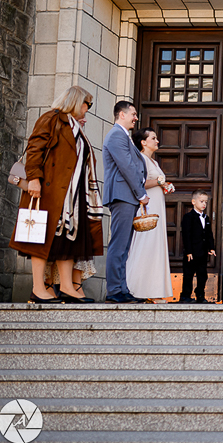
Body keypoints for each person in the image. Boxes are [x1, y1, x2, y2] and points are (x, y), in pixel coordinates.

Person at [10, 86, 103, 303]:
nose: (87, 109)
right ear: (76, 102)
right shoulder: (52, 119)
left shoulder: (75, 126)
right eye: (86, 104)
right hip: (48, 191)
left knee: (67, 240)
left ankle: (67, 287)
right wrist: (34, 179)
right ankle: (38, 288)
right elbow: (34, 149)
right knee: (39, 238)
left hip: (72, 196)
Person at [102, 101, 149, 304]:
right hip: (122, 195)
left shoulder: (123, 136)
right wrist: (141, 194)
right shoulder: (116, 135)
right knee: (119, 244)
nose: (136, 118)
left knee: (124, 246)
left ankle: (122, 289)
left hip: (126, 196)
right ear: (122, 114)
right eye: (133, 114)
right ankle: (114, 290)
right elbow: (127, 167)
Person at [126, 128, 176, 303]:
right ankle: (135, 289)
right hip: (147, 208)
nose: (157, 141)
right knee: (145, 246)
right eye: (153, 138)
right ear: (143, 142)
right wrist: (158, 181)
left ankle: (153, 291)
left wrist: (164, 186)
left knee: (155, 248)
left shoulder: (153, 162)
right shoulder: (140, 159)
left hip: (157, 207)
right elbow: (138, 183)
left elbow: (155, 182)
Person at [180, 189, 216, 303]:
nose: (204, 204)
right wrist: (188, 251)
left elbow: (209, 234)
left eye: (206, 202)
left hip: (202, 252)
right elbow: (186, 235)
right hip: (191, 252)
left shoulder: (206, 218)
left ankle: (200, 295)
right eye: (201, 201)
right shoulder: (188, 217)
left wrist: (211, 248)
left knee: (202, 275)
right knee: (188, 274)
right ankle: (185, 295)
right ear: (193, 202)